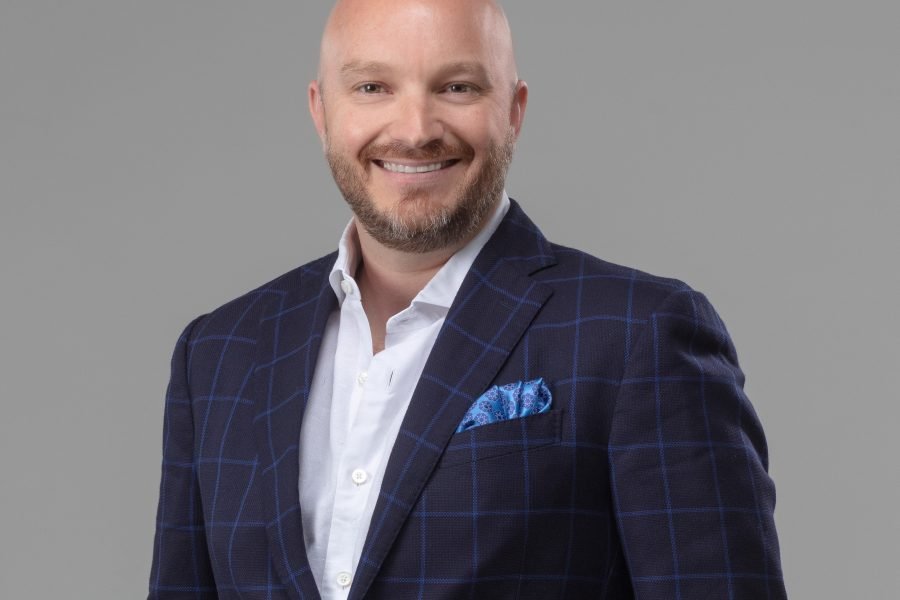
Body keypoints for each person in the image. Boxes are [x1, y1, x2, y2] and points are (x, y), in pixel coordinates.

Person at [148, 0, 786, 598]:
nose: (415, 130)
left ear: (513, 110)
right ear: (322, 111)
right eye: (372, 87)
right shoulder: (218, 354)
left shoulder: (636, 334)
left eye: (457, 87)